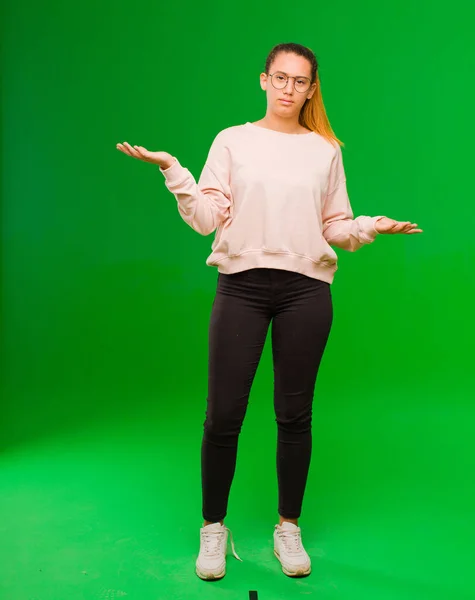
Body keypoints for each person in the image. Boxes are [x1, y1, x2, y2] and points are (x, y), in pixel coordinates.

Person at [116, 42, 423, 582]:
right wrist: (175, 172)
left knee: (294, 415)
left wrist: (370, 227)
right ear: (263, 80)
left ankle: (289, 526)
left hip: (307, 292)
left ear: (310, 89)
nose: (288, 88)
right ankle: (214, 528)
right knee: (223, 417)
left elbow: (334, 226)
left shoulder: (325, 150)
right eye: (279, 78)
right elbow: (208, 217)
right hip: (241, 289)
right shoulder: (232, 141)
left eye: (299, 81)